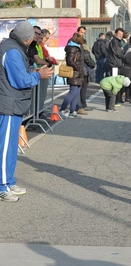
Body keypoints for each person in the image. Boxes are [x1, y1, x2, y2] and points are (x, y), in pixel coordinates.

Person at [0, 21, 53, 202]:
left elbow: (20, 73)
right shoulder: (13, 51)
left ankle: (8, 181)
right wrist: (39, 75)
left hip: (12, 104)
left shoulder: (12, 47)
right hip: (8, 104)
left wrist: (34, 71)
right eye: (34, 35)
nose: (36, 38)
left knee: (11, 147)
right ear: (28, 39)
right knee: (6, 147)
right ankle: (2, 186)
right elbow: (20, 80)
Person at [59, 34, 85, 119]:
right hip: (75, 73)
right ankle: (62, 110)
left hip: (78, 73)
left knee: (76, 93)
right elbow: (70, 60)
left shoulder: (75, 47)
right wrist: (77, 68)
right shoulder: (73, 48)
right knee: (72, 92)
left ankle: (72, 111)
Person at [107, 28, 125, 105]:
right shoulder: (115, 42)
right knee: (115, 83)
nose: (121, 36)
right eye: (119, 34)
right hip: (114, 65)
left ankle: (118, 99)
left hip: (117, 64)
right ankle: (114, 100)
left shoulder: (118, 42)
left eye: (122, 34)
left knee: (118, 82)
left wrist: (122, 50)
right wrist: (122, 50)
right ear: (115, 34)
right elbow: (119, 53)